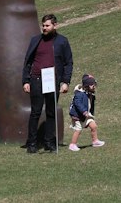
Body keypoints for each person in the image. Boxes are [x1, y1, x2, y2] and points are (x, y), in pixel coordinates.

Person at [21, 12, 73, 154]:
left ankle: (49, 142)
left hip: (53, 80)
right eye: (43, 25)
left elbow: (68, 63)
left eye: (47, 25)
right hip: (36, 79)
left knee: (51, 112)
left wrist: (65, 82)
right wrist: (26, 80)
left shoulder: (62, 41)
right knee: (35, 112)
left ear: (55, 25)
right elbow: (28, 61)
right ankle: (32, 143)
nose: (44, 28)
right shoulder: (35, 40)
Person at [68, 73, 105, 152]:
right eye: (92, 85)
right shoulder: (79, 94)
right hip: (78, 116)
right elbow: (78, 104)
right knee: (78, 130)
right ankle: (72, 144)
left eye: (94, 84)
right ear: (87, 86)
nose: (94, 86)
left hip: (86, 116)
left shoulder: (90, 94)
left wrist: (89, 114)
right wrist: (84, 111)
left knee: (93, 126)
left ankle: (95, 141)